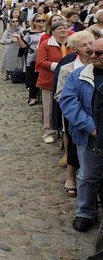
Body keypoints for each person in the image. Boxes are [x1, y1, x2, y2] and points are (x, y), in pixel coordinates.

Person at [59, 37, 103, 233]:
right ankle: (85, 211)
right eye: (91, 51)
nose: (92, 55)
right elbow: (69, 103)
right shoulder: (78, 76)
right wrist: (93, 128)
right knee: (87, 175)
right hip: (89, 135)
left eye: (98, 53)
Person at [37, 20, 70, 143]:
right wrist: (59, 66)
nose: (63, 30)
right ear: (53, 31)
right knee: (49, 107)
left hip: (69, 80)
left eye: (65, 28)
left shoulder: (72, 43)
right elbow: (40, 61)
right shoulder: (46, 44)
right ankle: (48, 131)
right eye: (60, 28)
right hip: (49, 79)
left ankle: (65, 130)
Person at [18, 13, 48, 106]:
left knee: (44, 77)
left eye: (43, 20)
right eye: (39, 21)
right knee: (32, 78)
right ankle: (33, 97)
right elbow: (23, 45)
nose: (41, 22)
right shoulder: (29, 32)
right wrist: (18, 38)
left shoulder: (47, 32)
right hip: (33, 57)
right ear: (34, 22)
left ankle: (44, 97)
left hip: (45, 57)